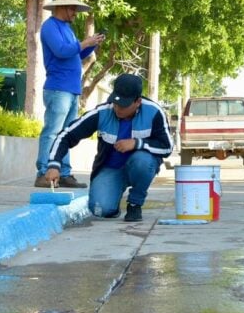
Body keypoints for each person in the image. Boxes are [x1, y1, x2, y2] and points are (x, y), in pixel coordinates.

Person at [44, 74, 172, 221]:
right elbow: (66, 135)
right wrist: (54, 165)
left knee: (143, 161)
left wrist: (137, 143)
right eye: (115, 102)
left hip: (139, 165)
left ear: (138, 102)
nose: (117, 108)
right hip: (111, 169)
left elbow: (167, 147)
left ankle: (135, 203)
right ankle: (114, 196)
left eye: (123, 105)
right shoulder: (103, 112)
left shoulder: (154, 112)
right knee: (101, 209)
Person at [35, 0, 105, 189]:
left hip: (71, 89)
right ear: (62, 7)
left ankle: (63, 172)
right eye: (72, 8)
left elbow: (76, 53)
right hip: (58, 89)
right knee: (53, 131)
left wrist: (92, 44)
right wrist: (84, 43)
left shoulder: (67, 28)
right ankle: (43, 172)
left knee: (66, 133)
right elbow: (61, 51)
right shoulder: (50, 27)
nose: (75, 12)